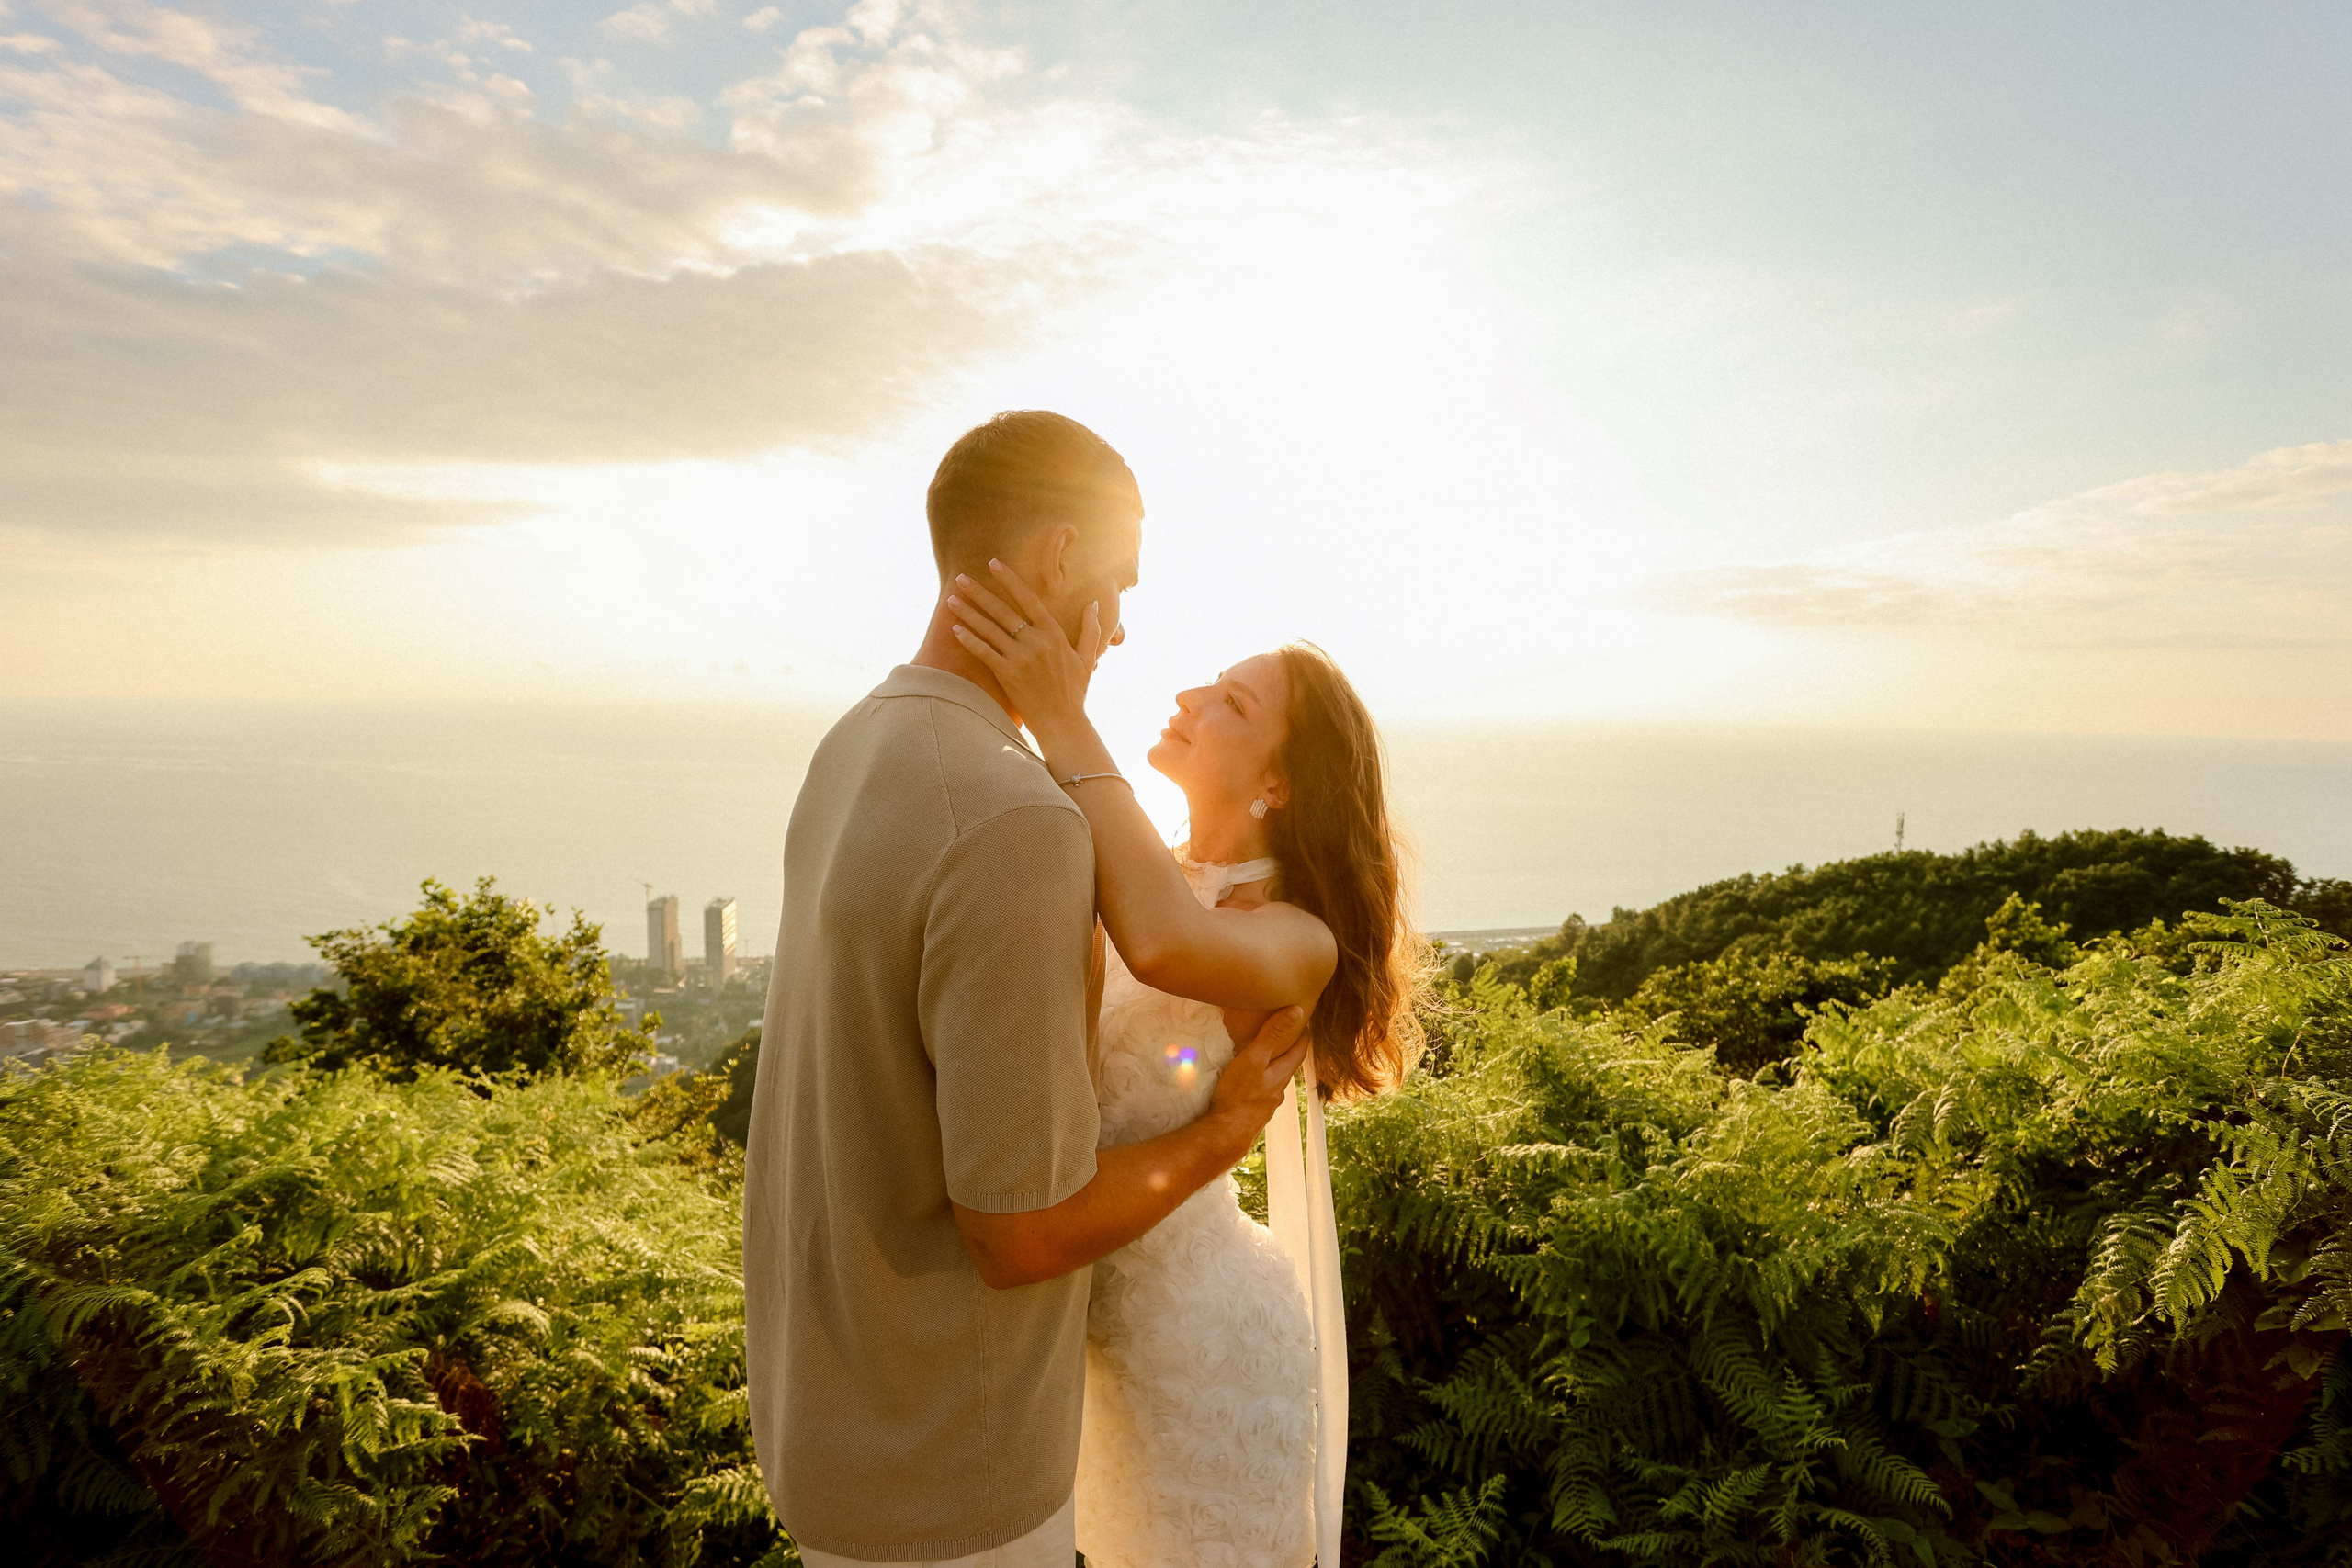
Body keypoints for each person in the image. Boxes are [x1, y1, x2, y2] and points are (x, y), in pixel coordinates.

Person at [741, 411, 1314, 1567]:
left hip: (837, 1423)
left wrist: (1061, 727)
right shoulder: (1013, 819)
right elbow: (1018, 1231)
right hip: (953, 1457)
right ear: (1058, 559)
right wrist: (1222, 1137)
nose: (1120, 627)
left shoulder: (854, 745)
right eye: (1119, 585)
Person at [944, 567, 1425, 1567]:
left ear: (1277, 785)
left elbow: (1162, 944)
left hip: (1200, 1347)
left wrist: (1059, 712)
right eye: (1205, 684)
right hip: (1087, 1337)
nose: (1186, 701)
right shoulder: (1146, 870)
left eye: (1230, 703)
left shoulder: (1294, 940)